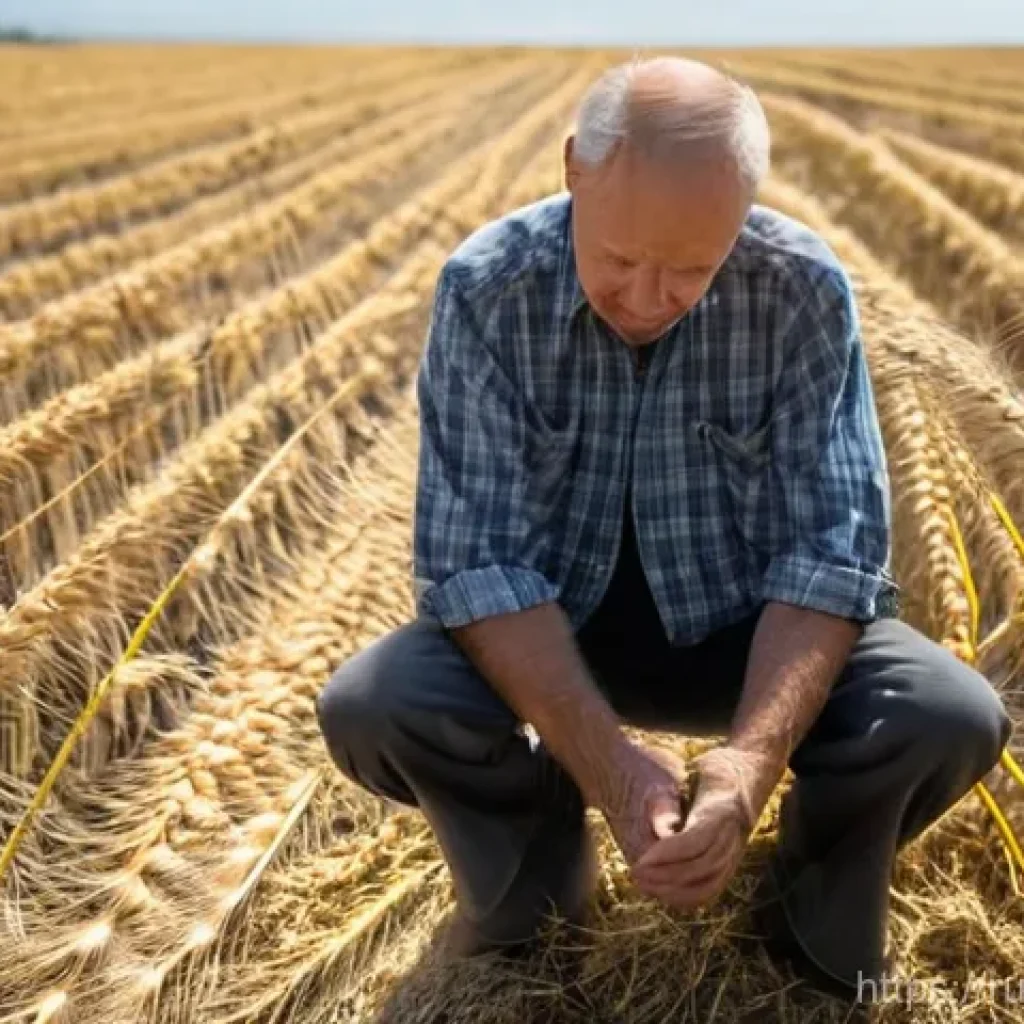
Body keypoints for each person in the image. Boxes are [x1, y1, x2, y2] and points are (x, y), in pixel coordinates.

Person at [316, 56, 1012, 1004]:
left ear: (744, 213)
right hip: (558, 635)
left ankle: (807, 895)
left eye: (691, 270)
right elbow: (477, 567)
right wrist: (609, 770)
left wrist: (750, 768)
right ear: (574, 168)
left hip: (747, 637)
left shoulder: (800, 288)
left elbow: (831, 557)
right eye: (618, 259)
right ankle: (536, 874)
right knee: (378, 702)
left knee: (947, 715)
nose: (647, 298)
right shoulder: (488, 288)